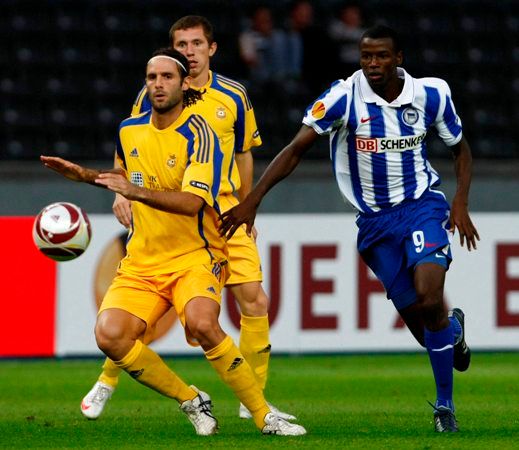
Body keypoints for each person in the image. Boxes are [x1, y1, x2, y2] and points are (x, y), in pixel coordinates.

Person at [220, 25, 479, 433]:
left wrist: (460, 201)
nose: (372, 64)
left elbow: (459, 148)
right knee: (422, 322)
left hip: (422, 207)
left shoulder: (431, 94)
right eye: (366, 57)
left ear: (398, 59)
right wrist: (253, 200)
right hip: (375, 225)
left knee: (431, 299)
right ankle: (454, 332)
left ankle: (444, 406)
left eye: (380, 56)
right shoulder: (343, 97)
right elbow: (295, 149)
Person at [41, 48, 305, 437]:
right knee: (109, 335)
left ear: (184, 83)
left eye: (166, 77)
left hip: (194, 256)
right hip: (143, 261)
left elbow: (192, 202)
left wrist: (135, 191)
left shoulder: (202, 134)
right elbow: (124, 175)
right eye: (151, 78)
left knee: (202, 324)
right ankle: (190, 400)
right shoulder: (129, 129)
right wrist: (84, 175)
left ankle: (265, 415)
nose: (158, 84)